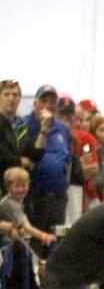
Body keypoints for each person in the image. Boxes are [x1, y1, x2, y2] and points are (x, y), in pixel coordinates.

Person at [19, 85, 72, 255]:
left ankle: (53, 280)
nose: (48, 105)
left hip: (58, 196)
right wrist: (44, 127)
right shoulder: (24, 125)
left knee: (56, 242)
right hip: (36, 194)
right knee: (36, 243)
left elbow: (67, 160)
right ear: (35, 103)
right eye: (43, 100)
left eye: (52, 101)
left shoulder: (62, 128)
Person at [0, 80, 24, 192]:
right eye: (6, 94)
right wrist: (21, 161)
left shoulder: (22, 124)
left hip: (18, 187)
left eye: (15, 95)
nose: (11, 98)